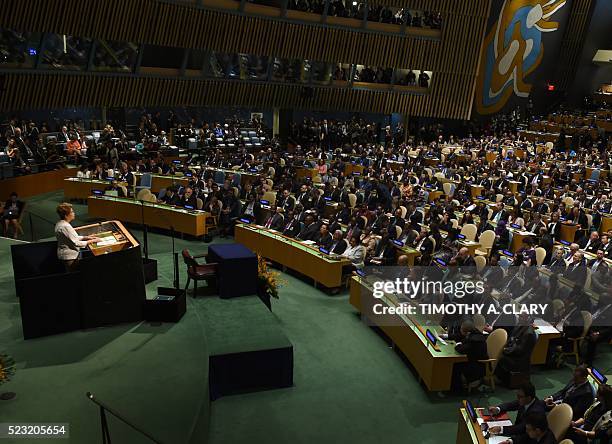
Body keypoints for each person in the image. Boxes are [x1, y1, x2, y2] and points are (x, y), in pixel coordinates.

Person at [55, 203, 100, 271]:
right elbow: (76, 243)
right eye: (72, 212)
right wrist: (93, 241)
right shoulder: (65, 226)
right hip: (70, 257)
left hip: (68, 255)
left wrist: (87, 237)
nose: (74, 213)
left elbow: (72, 238)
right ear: (66, 215)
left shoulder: (60, 223)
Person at [453, 319, 488, 389]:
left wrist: (457, 345)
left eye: (461, 330)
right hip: (474, 361)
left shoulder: (474, 340)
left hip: (477, 366)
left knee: (455, 366)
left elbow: (461, 349)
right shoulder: (476, 333)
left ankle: (458, 390)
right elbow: (464, 342)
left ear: (467, 332)